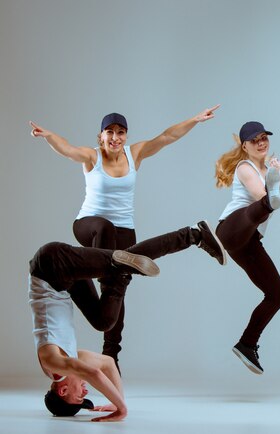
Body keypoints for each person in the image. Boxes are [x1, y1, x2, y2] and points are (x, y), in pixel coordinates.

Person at [29, 106, 221, 368]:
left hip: (124, 230)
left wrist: (195, 120)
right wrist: (50, 136)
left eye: (120, 133)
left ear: (126, 137)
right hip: (89, 225)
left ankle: (111, 357)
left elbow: (167, 137)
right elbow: (67, 149)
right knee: (106, 230)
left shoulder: (135, 154)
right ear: (101, 136)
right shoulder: (91, 157)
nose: (115, 138)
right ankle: (188, 237)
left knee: (115, 287)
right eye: (110, 132)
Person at [30, 223, 225, 421]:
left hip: (50, 266)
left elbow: (94, 373)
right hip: (63, 281)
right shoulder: (69, 359)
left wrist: (121, 409)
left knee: (121, 262)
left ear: (63, 392)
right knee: (103, 321)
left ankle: (195, 234)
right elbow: (107, 363)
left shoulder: (53, 363)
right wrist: (116, 400)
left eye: (79, 396)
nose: (85, 392)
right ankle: (120, 273)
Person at [215, 121, 280, 374]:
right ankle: (270, 202)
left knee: (277, 294)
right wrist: (272, 189)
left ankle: (247, 344)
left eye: (264, 137)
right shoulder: (244, 167)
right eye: (255, 140)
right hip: (231, 229)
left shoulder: (272, 171)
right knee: (264, 203)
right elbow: (259, 194)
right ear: (245, 146)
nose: (261, 142)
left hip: (248, 241)